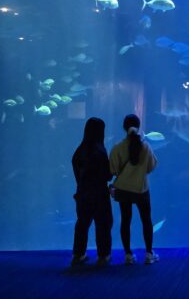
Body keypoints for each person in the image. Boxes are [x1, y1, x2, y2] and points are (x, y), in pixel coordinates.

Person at [109, 114, 159, 265]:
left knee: (125, 220)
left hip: (123, 190)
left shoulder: (117, 148)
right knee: (146, 220)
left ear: (124, 128)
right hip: (141, 189)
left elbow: (114, 170)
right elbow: (151, 167)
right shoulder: (146, 147)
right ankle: (149, 254)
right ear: (139, 127)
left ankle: (128, 255)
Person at [71, 117, 113, 266]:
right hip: (99, 194)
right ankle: (103, 255)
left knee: (82, 224)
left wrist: (81, 184)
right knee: (103, 224)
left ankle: (78, 254)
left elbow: (76, 168)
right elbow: (107, 175)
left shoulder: (80, 149)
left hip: (82, 193)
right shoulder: (100, 151)